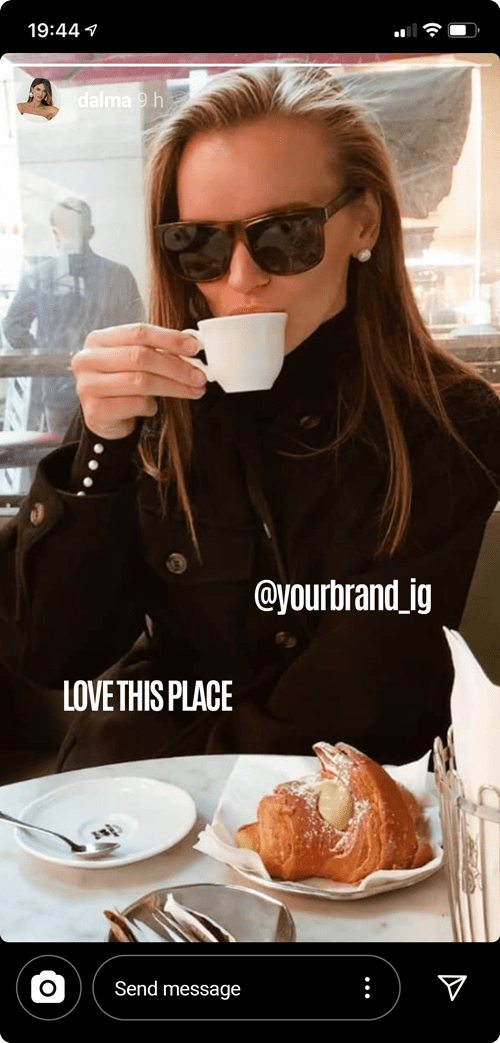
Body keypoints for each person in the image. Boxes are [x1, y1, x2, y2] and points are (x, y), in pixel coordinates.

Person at [1, 64, 500, 771]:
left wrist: (213, 805)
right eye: (200, 243)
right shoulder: (153, 410)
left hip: (341, 803)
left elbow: (372, 685)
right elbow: (53, 650)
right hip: (146, 792)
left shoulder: (453, 425)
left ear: (363, 221)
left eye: (285, 234)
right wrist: (101, 450)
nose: (241, 277)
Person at [2, 199, 144, 437]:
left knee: (64, 456)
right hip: (112, 389)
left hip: (60, 391)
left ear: (54, 234)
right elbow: (137, 329)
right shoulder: (119, 274)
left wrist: (46, 359)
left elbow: (12, 327)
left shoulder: (39, 277)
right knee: (113, 453)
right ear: (90, 231)